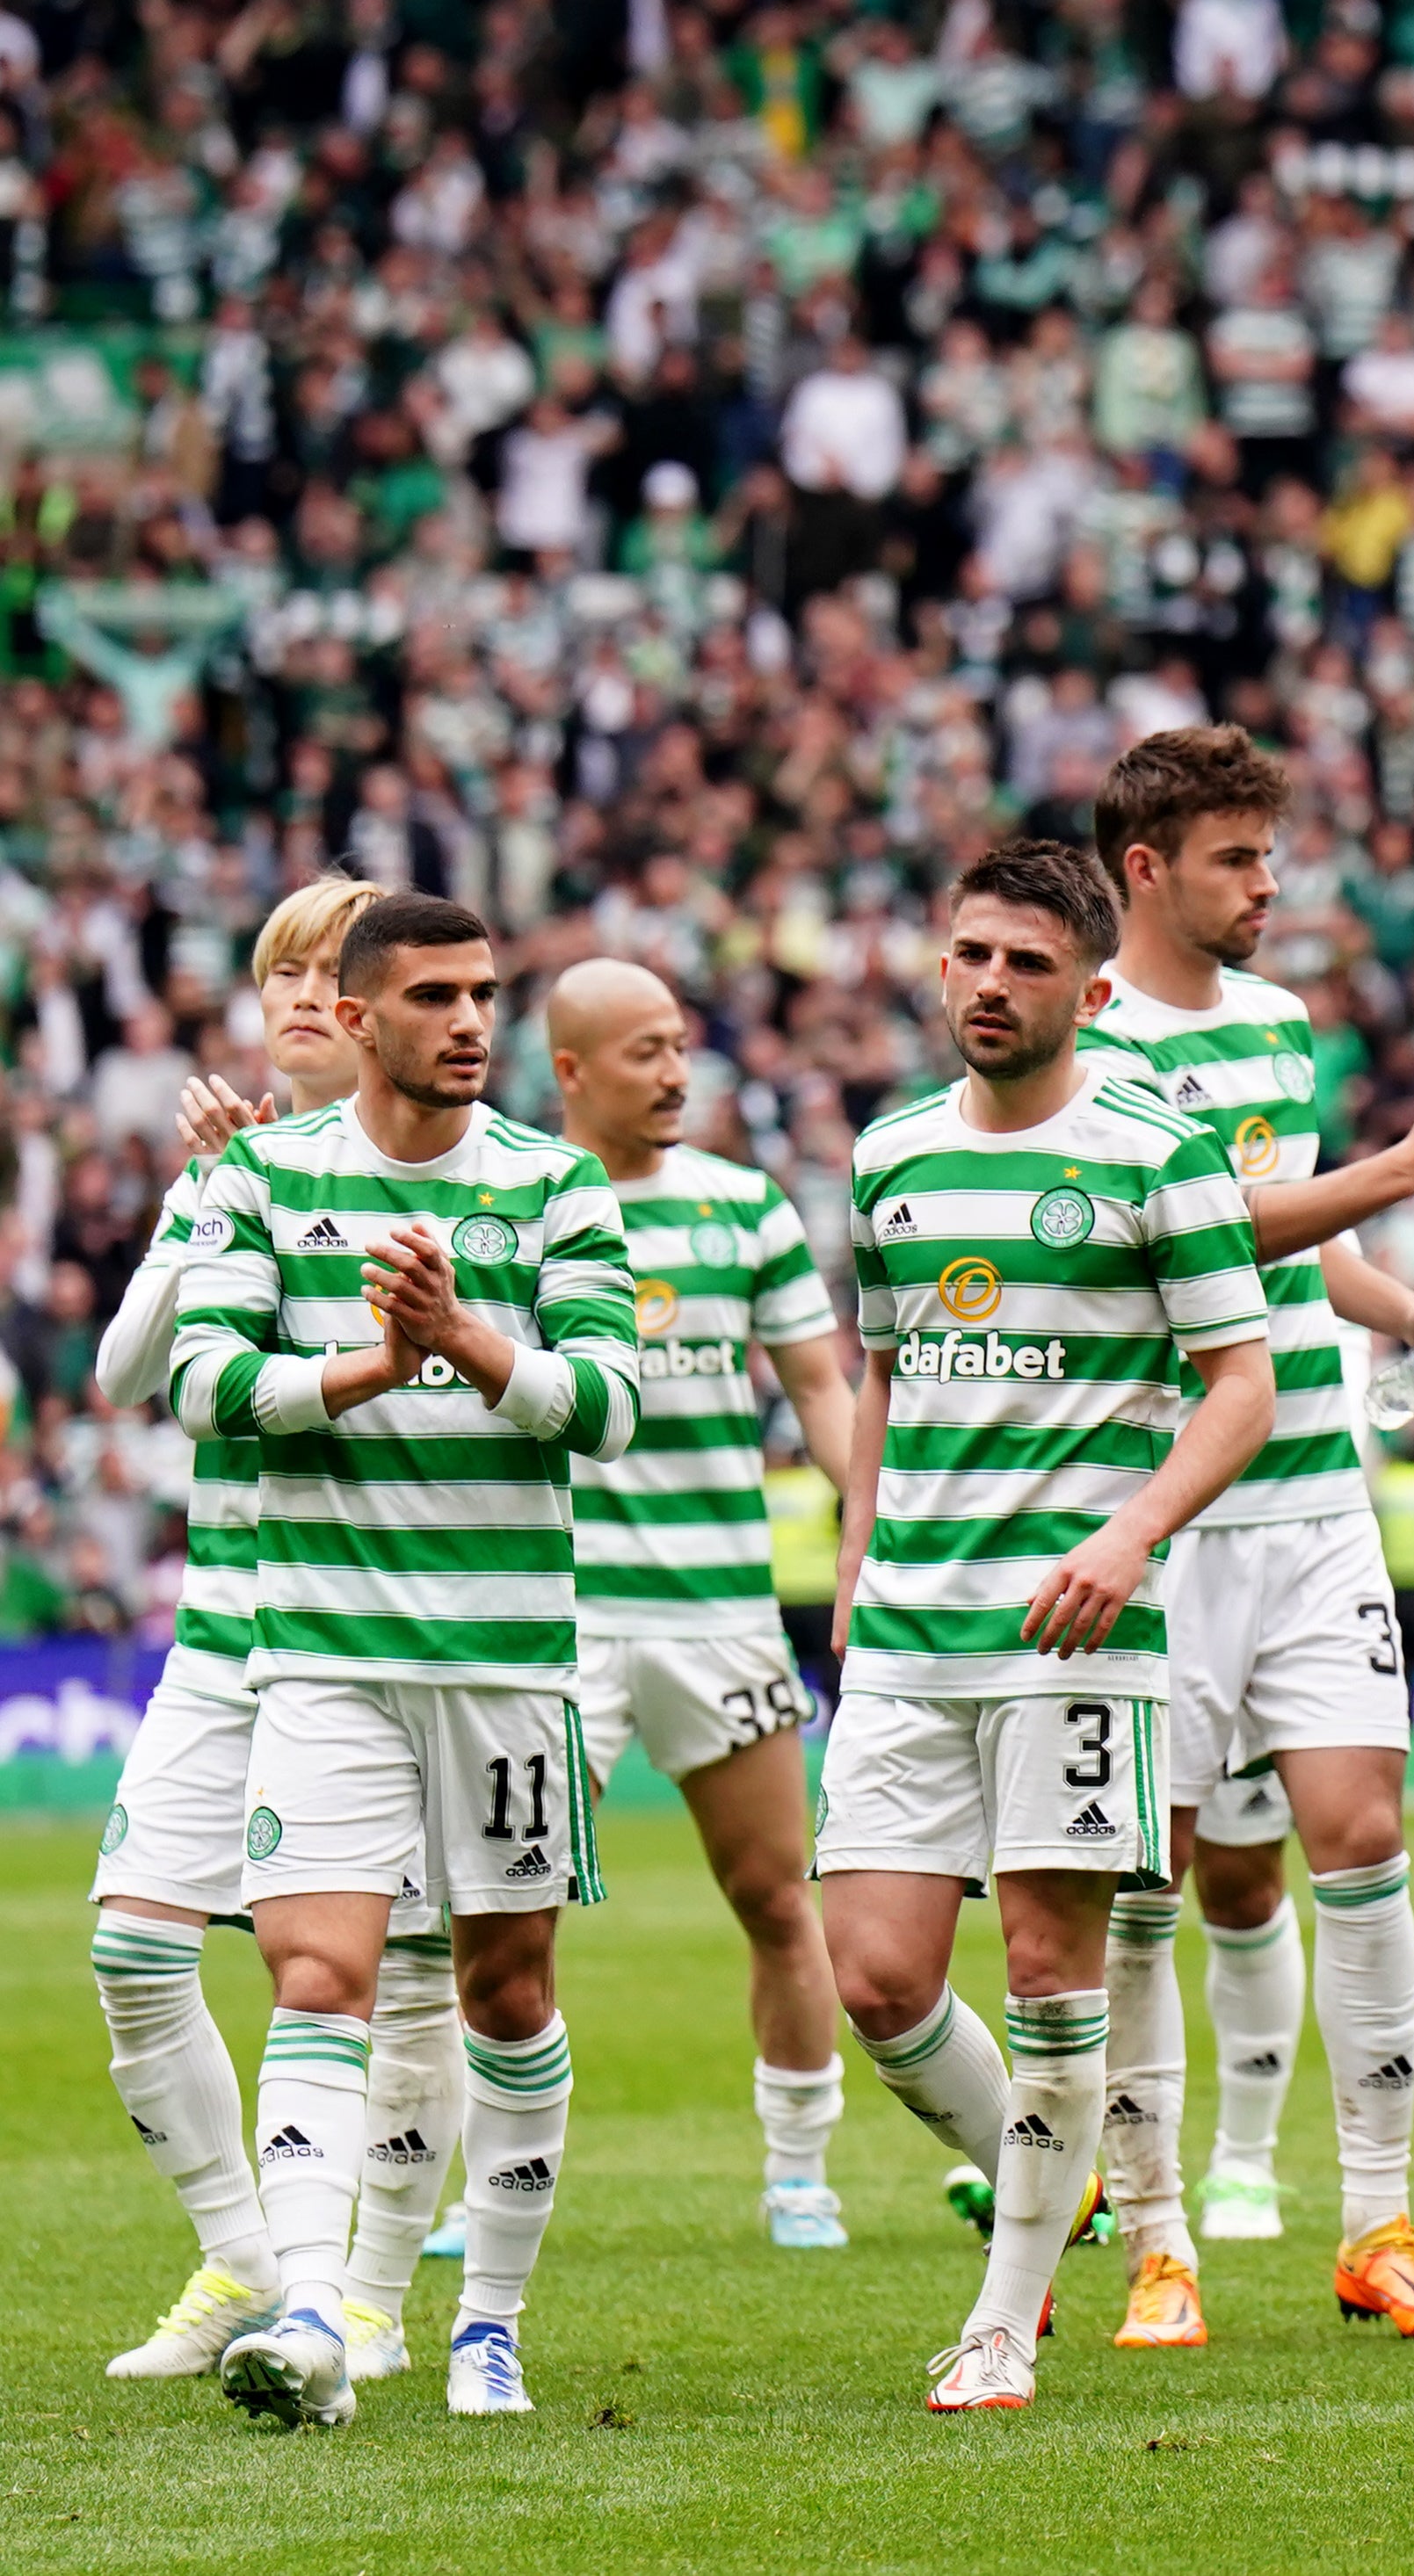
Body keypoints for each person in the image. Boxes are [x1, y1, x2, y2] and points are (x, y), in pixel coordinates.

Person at [1077, 727, 1414, 2344]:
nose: (1270, 887)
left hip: (1312, 1494)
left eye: (1270, 857)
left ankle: (1376, 2223)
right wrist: (1410, 1167)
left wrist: (1405, 1298)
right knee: (1153, 1877)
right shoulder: (1091, 1039)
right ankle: (1156, 2236)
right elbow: (1189, 1229)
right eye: (1237, 862)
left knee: (1359, 1834)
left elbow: (1287, 1245)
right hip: (1164, 1510)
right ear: (1147, 870)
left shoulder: (1276, 1029)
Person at [818, 839, 1274, 2415]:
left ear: (1089, 988)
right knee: (875, 1977)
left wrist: (1130, 1532)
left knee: (1046, 1965)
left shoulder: (1163, 1155)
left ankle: (1004, 2316)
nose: (990, 985)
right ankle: (1057, 2165)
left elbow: (1243, 1388)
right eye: (969, 955)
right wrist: (855, 1547)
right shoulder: (887, 1157)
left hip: (1075, 1635)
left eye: (1025, 964)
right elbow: (883, 1373)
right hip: (908, 1627)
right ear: (939, 966)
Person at [178, 894, 645, 2428]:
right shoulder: (263, 1176)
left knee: (507, 1996)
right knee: (319, 1974)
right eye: (435, 996)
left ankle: (486, 2326)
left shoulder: (557, 1186)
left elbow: (609, 1406)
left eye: (485, 995)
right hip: (319, 1651)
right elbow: (205, 1385)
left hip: (506, 1664)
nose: (469, 1022)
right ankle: (315, 2313)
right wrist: (380, 1360)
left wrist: (466, 1341)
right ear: (358, 1018)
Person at [84, 873, 466, 2387]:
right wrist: (208, 1209)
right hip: (229, 1620)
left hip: (388, 1622)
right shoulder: (226, 1174)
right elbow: (124, 1374)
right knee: (130, 1946)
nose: (300, 995)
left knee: (412, 1972)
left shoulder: (439, 1165)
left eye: (326, 971)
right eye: (279, 974)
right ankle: (248, 2260)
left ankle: (367, 2294)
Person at [546, 959, 870, 2248]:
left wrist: (880, 1526)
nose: (677, 1073)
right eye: (644, 1052)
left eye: (681, 1046)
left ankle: (800, 2173)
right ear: (571, 1071)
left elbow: (825, 1394)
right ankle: (480, 2180)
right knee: (500, 1907)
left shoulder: (746, 1208)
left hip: (720, 1611)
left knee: (778, 1897)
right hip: (556, 1625)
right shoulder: (514, 1202)